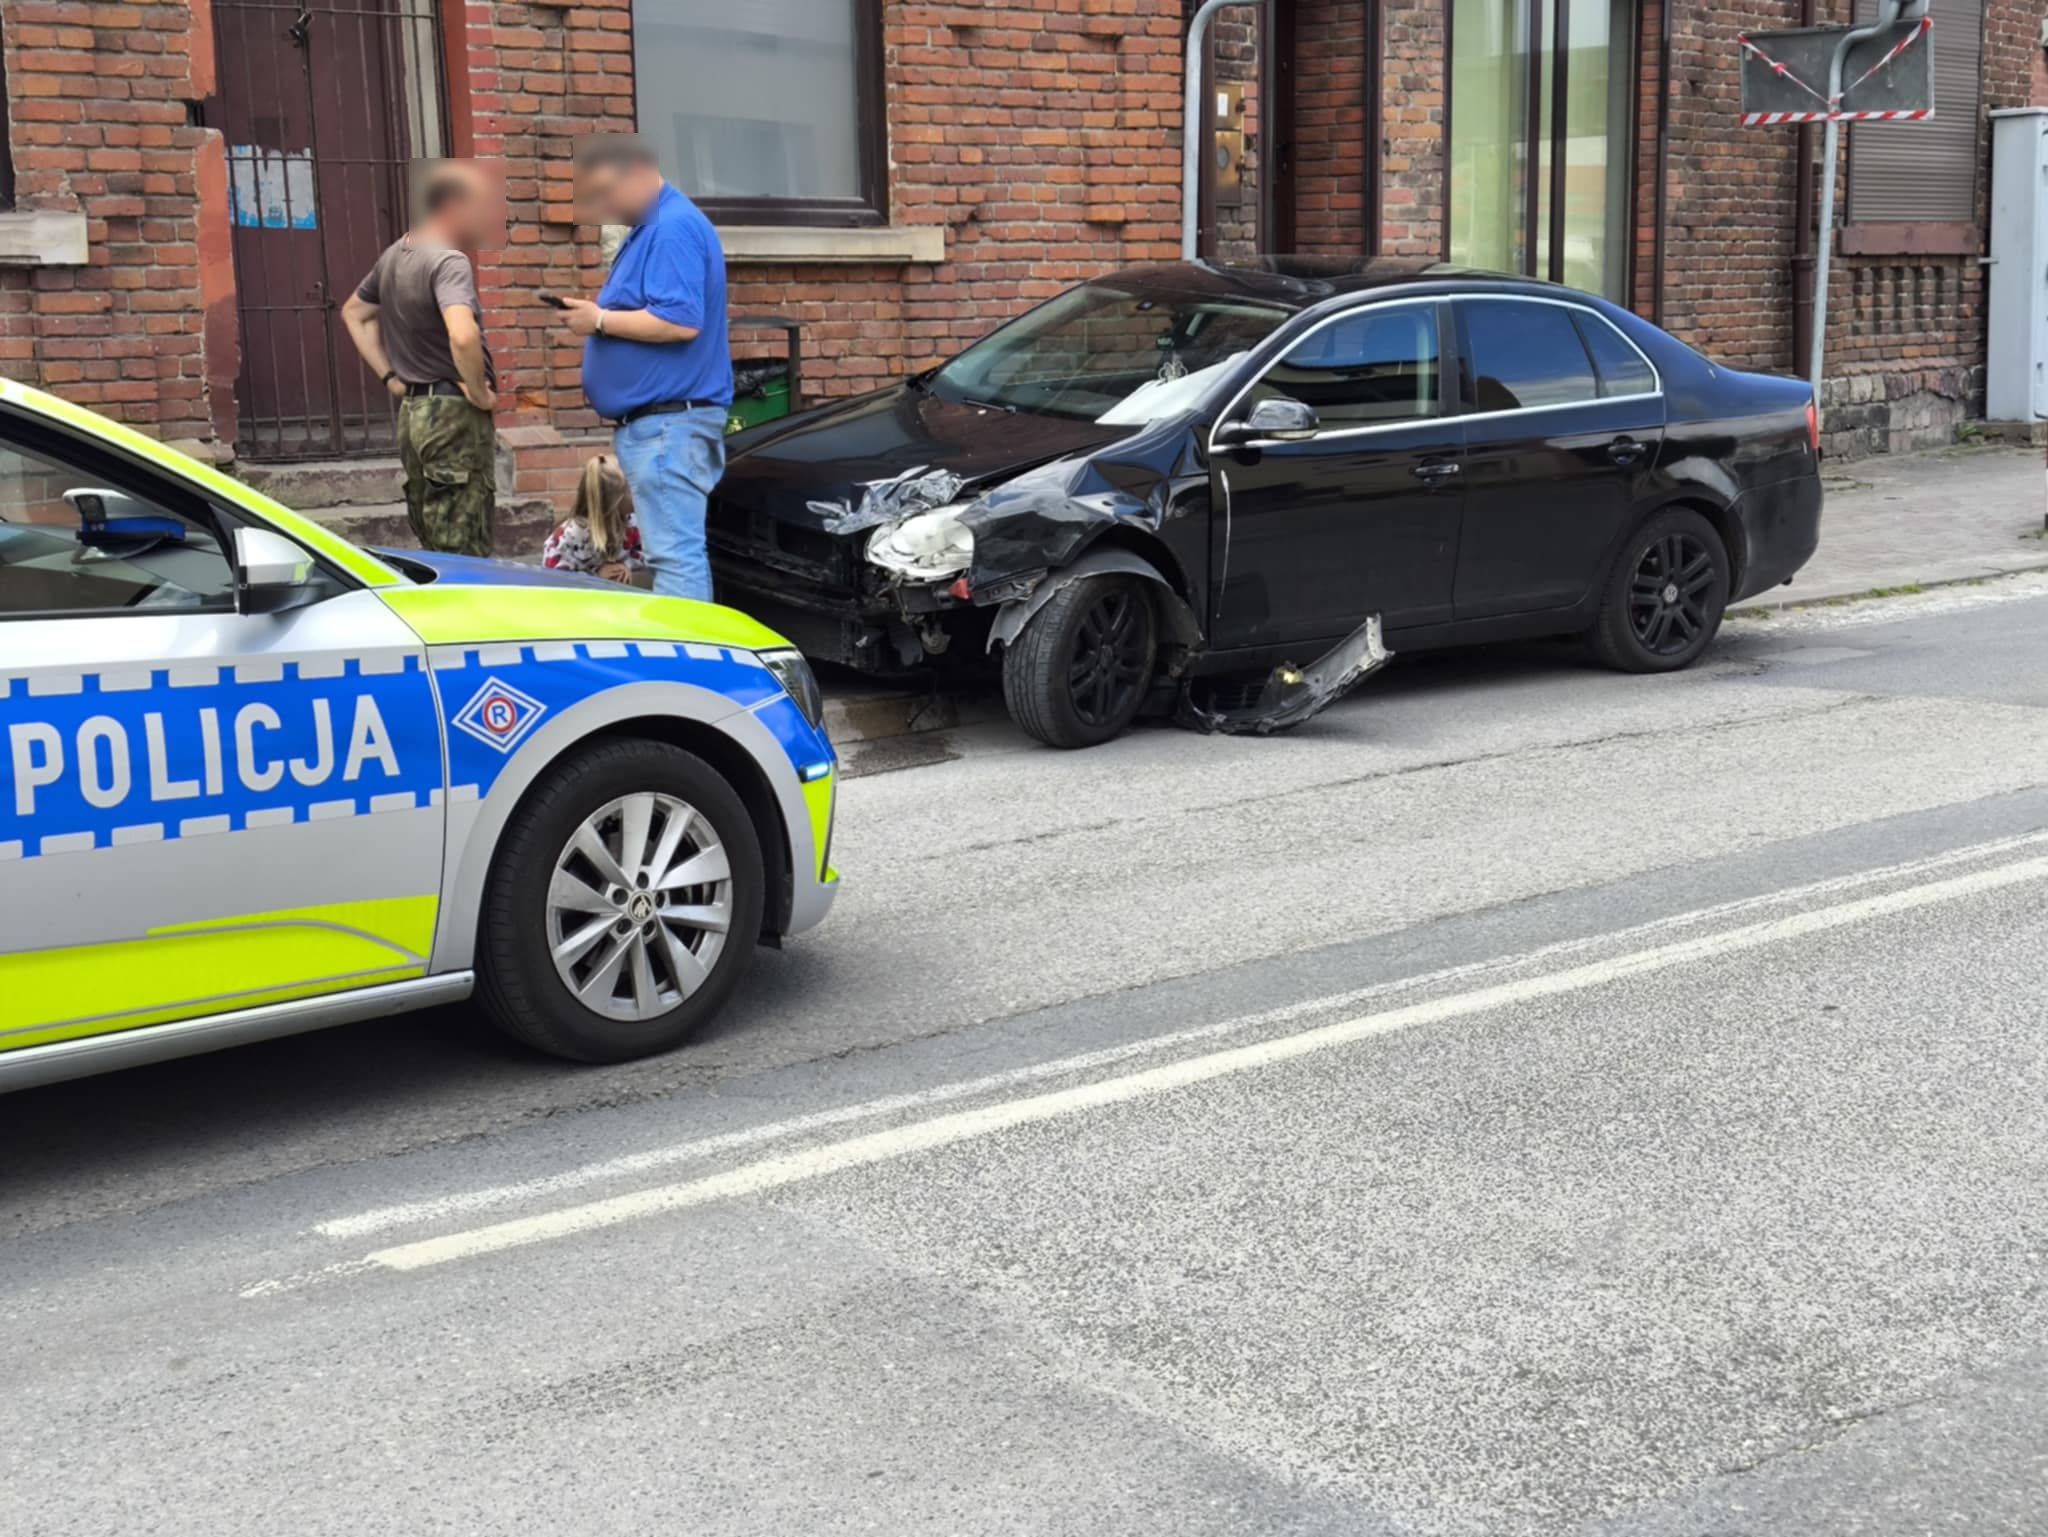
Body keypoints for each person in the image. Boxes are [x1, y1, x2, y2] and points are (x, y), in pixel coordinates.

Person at [560, 135, 733, 602]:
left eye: (606, 193)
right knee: (674, 555)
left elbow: (679, 322)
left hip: (667, 426)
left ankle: (693, 664)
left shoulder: (669, 227)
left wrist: (596, 319)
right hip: (665, 424)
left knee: (675, 559)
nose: (604, 206)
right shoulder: (656, 225)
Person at [342, 162, 500, 558]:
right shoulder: (449, 261)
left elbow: (354, 313)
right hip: (452, 417)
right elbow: (462, 334)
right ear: (451, 205)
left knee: (434, 538)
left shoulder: (398, 252)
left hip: (414, 412)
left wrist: (392, 379)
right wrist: (480, 392)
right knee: (464, 550)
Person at [542, 453, 644, 584]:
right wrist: (595, 575)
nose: (640, 493)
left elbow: (645, 553)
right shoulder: (572, 535)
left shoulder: (632, 523)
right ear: (613, 501)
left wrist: (625, 566)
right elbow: (552, 577)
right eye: (632, 490)